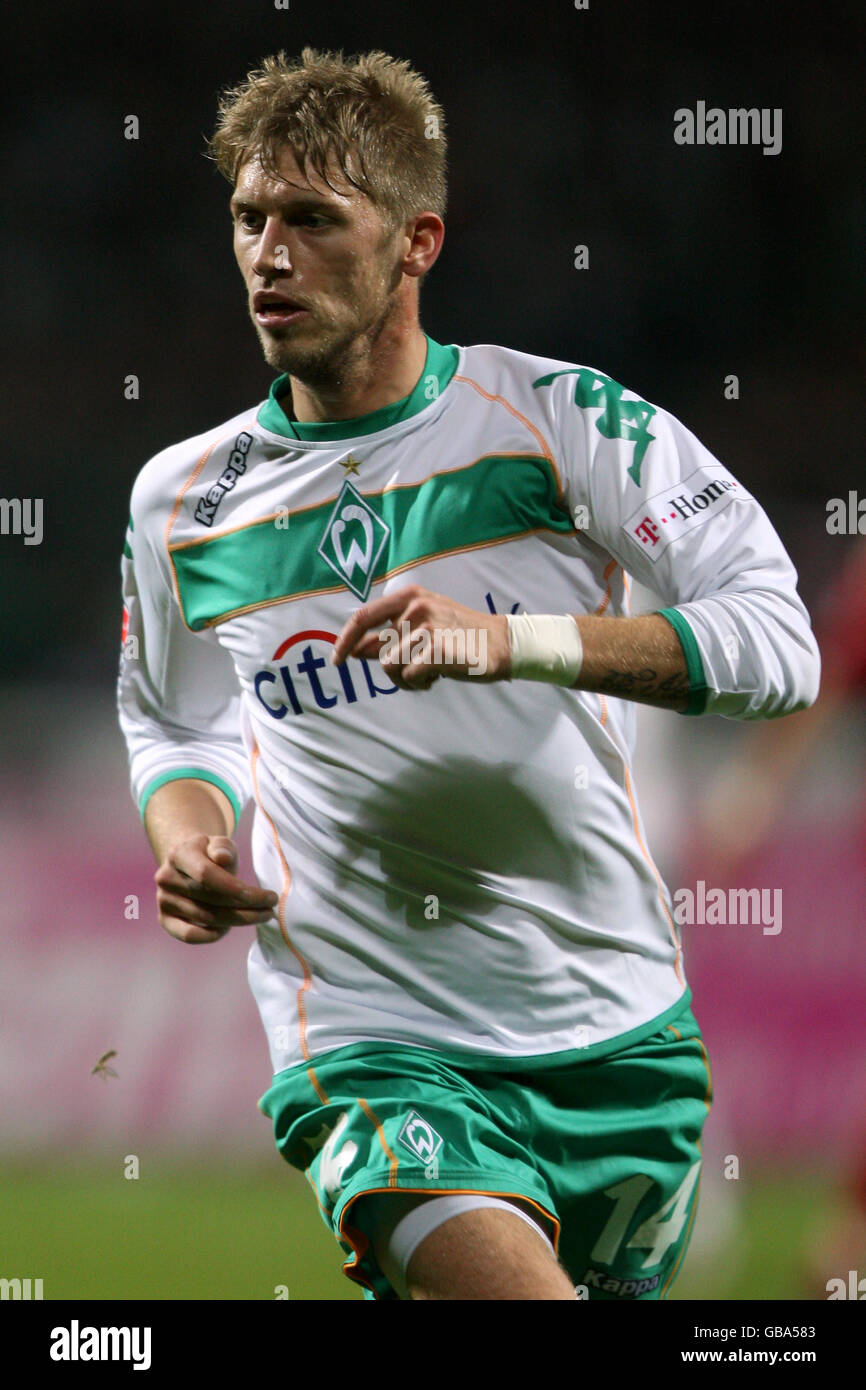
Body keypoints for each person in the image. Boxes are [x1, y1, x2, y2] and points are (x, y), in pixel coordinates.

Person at [117, 47, 820, 1301]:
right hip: (371, 1038)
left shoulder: (562, 422)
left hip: (616, 1028)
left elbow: (778, 643)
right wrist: (188, 833)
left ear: (417, 240)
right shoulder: (182, 501)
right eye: (248, 219)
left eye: (313, 220)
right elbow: (174, 713)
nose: (268, 255)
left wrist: (512, 641)